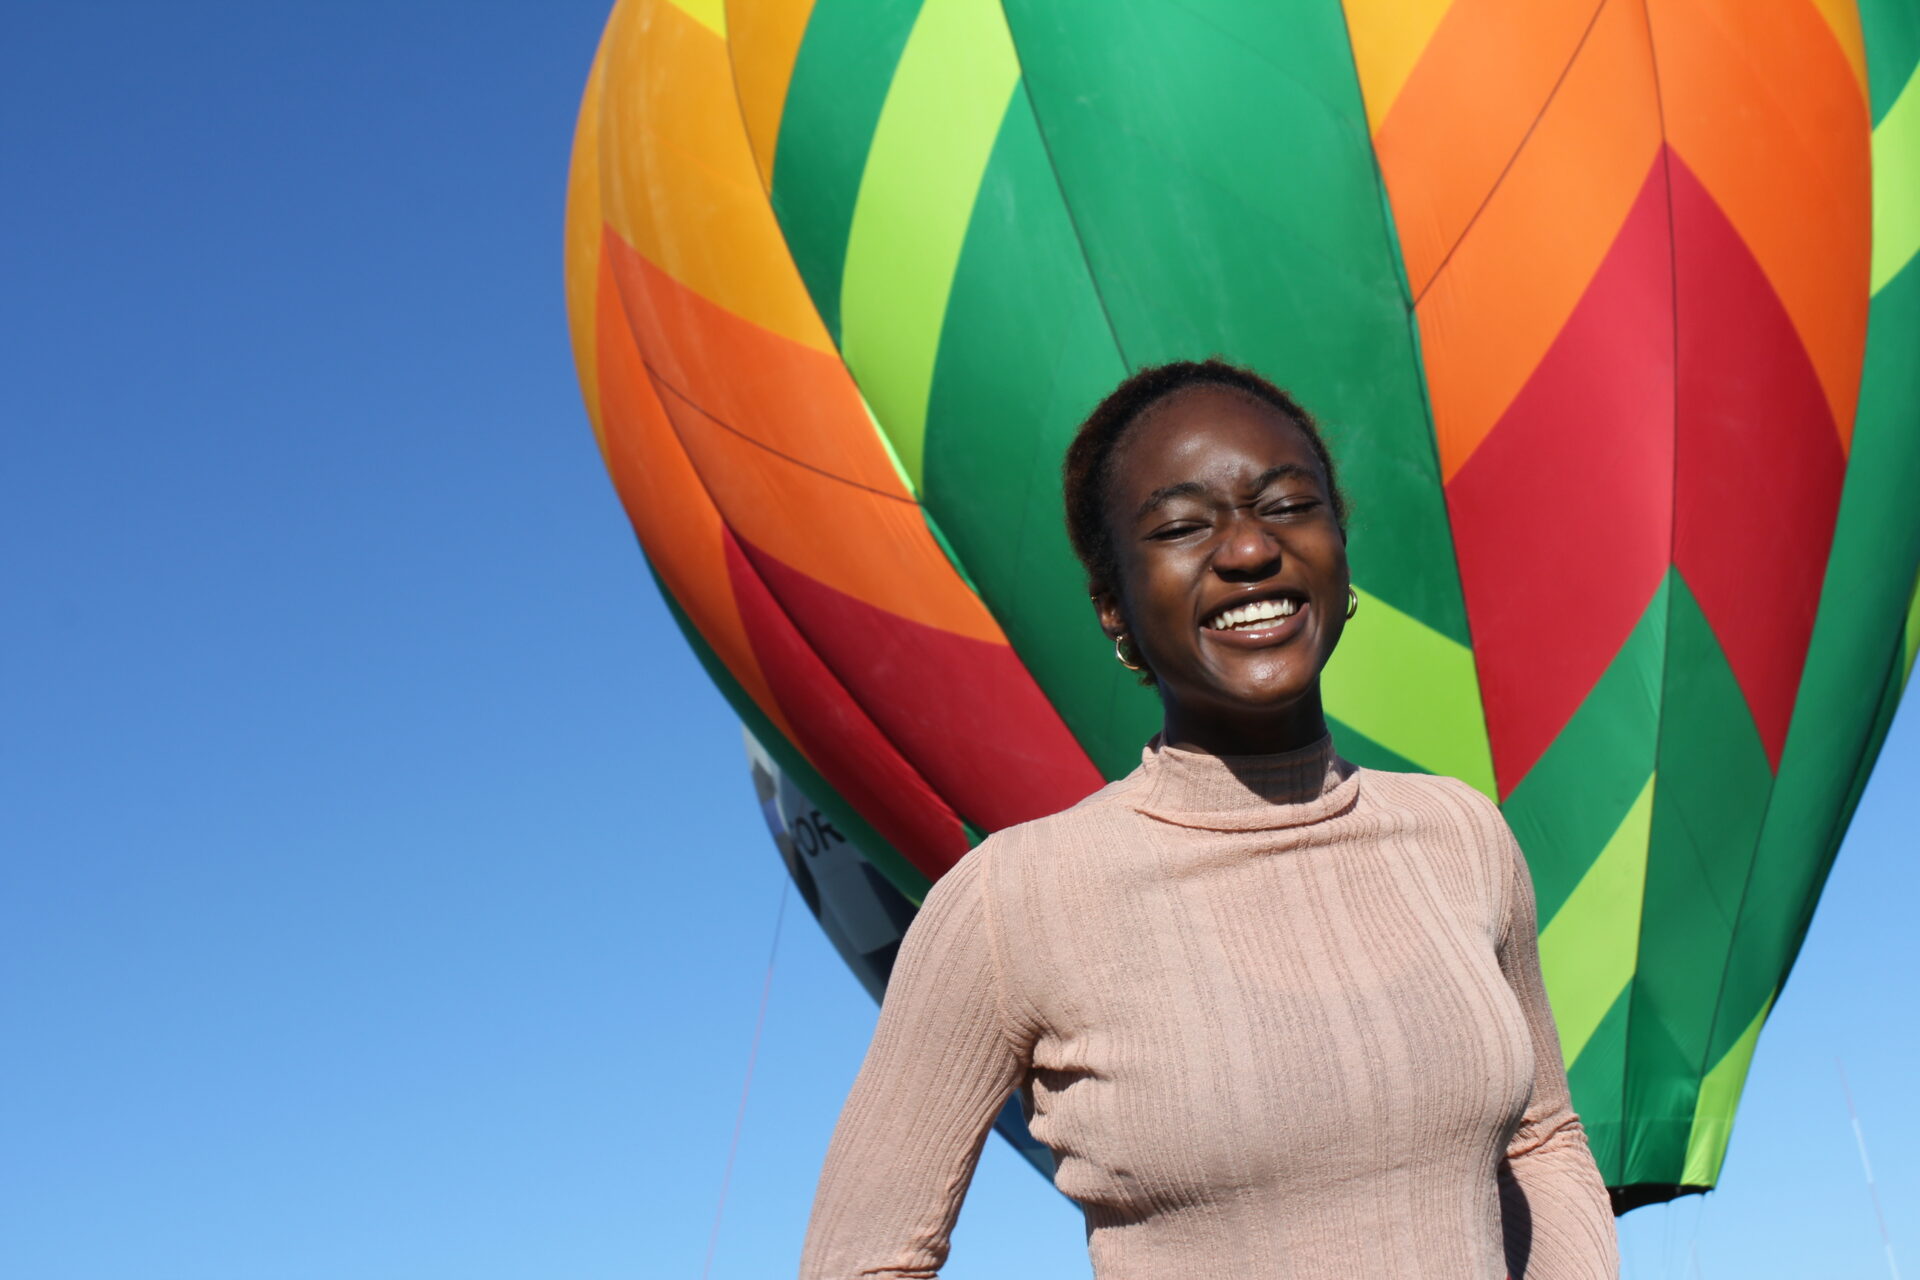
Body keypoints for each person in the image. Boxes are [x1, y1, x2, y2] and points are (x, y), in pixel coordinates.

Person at [798, 359, 1620, 1279]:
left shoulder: (1460, 837)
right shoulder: (1011, 901)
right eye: (1183, 527)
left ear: (1341, 552)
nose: (1247, 551)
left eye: (1287, 506)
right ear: (1114, 607)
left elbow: (1544, 1142)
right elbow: (860, 1261)